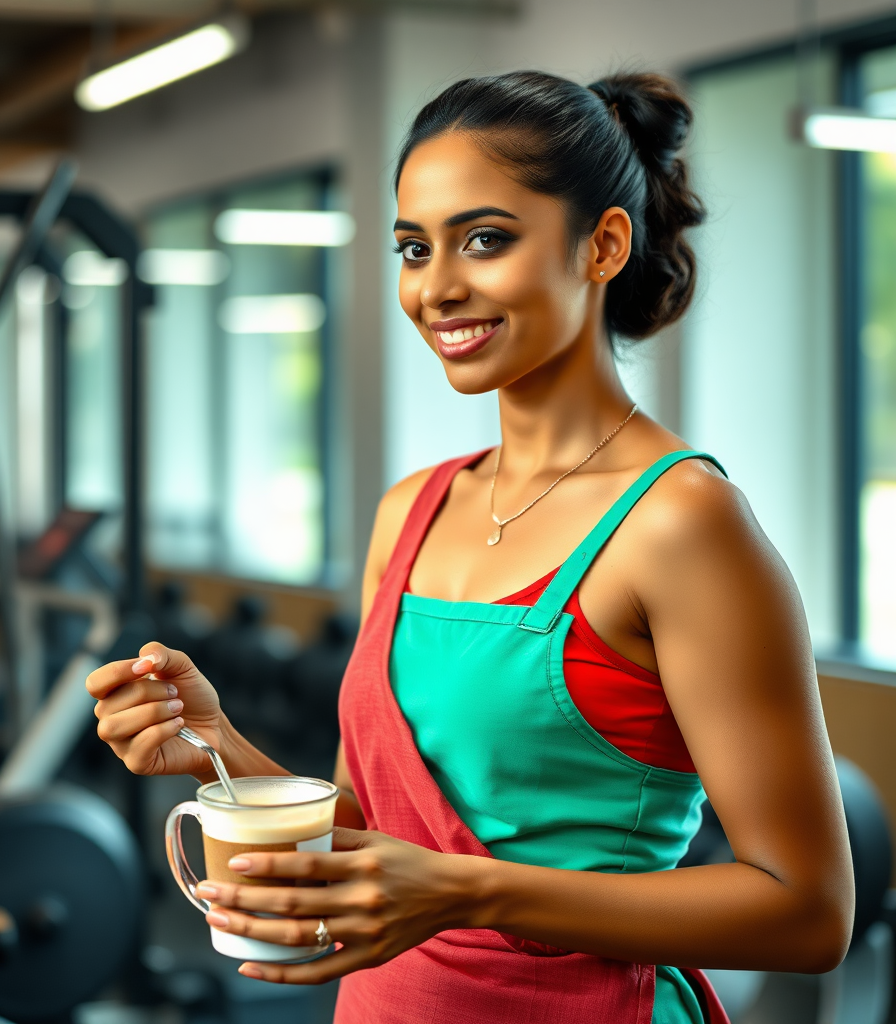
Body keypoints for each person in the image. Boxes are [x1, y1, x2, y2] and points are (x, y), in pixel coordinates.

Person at [87, 71, 854, 1024]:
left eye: (485, 239)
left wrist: (468, 892)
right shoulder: (411, 509)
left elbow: (808, 911)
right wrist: (216, 748)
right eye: (415, 247)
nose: (437, 287)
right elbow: (374, 837)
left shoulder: (681, 524)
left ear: (604, 245)